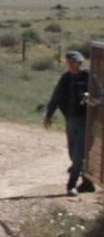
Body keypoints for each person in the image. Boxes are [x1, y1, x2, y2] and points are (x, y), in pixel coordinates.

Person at [44, 50, 95, 196]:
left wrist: (91, 97)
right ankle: (87, 182)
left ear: (80, 63)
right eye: (69, 62)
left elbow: (99, 94)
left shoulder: (88, 77)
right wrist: (49, 115)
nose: (72, 65)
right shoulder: (65, 79)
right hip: (70, 119)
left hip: (85, 120)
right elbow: (55, 98)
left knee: (79, 152)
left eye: (74, 62)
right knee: (73, 153)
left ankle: (71, 184)